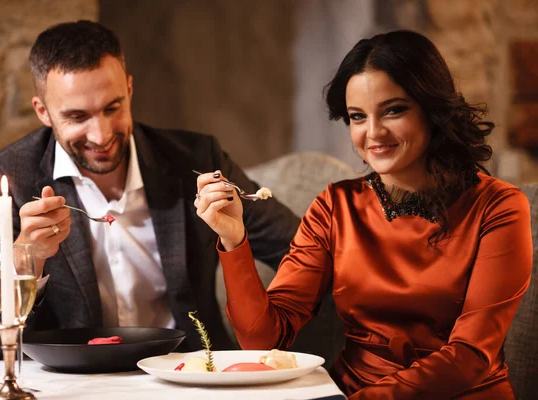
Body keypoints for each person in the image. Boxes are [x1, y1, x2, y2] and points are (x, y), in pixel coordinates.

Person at [195, 30, 533, 399]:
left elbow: (469, 357)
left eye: (393, 110)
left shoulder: (498, 206)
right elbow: (263, 337)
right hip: (350, 391)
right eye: (358, 116)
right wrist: (233, 238)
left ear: (431, 110)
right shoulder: (335, 206)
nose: (373, 133)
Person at [0, 20, 300, 359]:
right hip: (76, 384)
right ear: (43, 112)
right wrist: (27, 260)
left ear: (129, 88)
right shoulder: (9, 178)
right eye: (78, 117)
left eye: (113, 108)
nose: (101, 135)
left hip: (192, 373)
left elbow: (302, 249)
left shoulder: (194, 158)